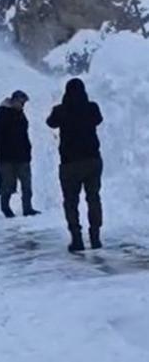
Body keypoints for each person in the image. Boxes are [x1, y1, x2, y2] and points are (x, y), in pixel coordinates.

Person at [46, 78, 103, 252]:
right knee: (93, 198)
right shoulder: (92, 108)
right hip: (92, 160)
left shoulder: (60, 110)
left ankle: (76, 239)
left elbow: (50, 122)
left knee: (71, 201)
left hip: (70, 163)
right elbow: (98, 120)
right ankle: (95, 237)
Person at [0, 90, 39, 218]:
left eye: (24, 103)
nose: (23, 105)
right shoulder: (2, 113)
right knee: (8, 185)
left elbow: (24, 134)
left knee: (26, 185)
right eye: (21, 102)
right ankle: (5, 208)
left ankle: (27, 208)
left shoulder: (20, 114)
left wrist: (28, 150)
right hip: (6, 157)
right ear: (14, 100)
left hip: (22, 156)